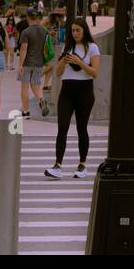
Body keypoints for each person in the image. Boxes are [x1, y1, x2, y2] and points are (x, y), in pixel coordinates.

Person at [44, 18, 100, 179]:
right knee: (62, 127)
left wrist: (79, 62)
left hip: (85, 91)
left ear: (84, 31)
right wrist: (63, 61)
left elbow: (95, 72)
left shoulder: (93, 48)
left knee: (81, 128)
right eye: (73, 30)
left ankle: (82, 165)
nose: (75, 33)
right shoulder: (68, 46)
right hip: (67, 91)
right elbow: (58, 72)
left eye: (78, 30)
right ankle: (57, 165)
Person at [18, 10, 50, 118]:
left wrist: (20, 65)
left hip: (27, 62)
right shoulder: (44, 31)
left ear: (28, 18)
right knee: (36, 85)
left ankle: (26, 111)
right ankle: (42, 99)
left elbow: (23, 49)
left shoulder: (26, 32)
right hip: (39, 62)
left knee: (25, 87)